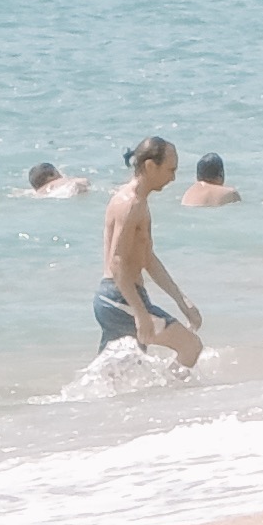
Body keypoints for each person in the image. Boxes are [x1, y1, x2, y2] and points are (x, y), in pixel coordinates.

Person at [94, 138, 203, 368]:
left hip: (122, 296)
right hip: (119, 297)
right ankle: (174, 395)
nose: (173, 178)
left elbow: (148, 259)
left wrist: (183, 302)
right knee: (190, 346)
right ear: (151, 166)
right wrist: (139, 313)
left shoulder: (140, 202)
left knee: (120, 375)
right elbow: (117, 262)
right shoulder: (129, 204)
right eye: (170, 170)